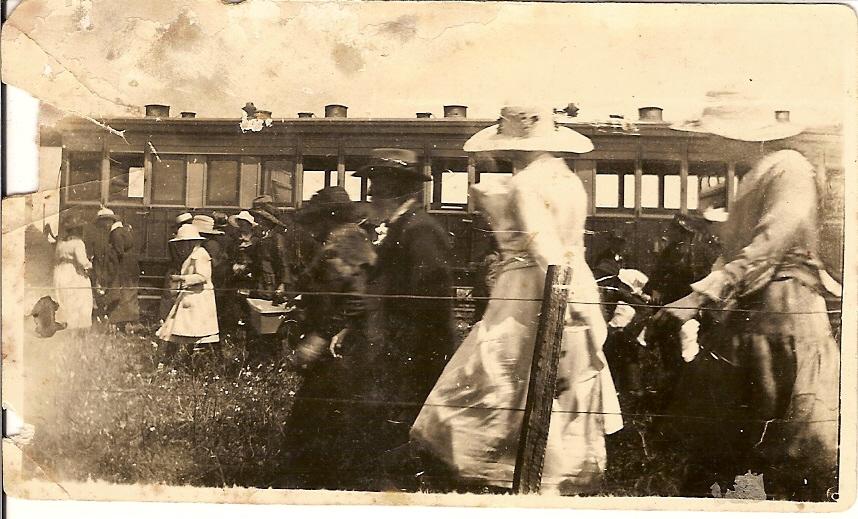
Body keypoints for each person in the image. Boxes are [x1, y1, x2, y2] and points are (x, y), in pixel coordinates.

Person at [410, 107, 622, 495]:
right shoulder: (568, 179)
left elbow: (545, 249)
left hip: (531, 288)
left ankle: (504, 470)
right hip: (577, 280)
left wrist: (566, 305)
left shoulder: (524, 184)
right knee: (547, 380)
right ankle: (559, 469)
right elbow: (571, 245)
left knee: (506, 372)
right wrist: (584, 308)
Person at [652, 90, 840, 500]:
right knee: (726, 441)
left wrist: (698, 299)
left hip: (785, 313)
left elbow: (771, 244)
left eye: (714, 133)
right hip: (756, 317)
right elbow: (745, 250)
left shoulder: (788, 168)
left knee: (791, 445)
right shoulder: (759, 172)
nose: (708, 142)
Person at [345, 148, 456, 490]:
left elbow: (427, 301)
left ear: (398, 190)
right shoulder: (402, 227)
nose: (370, 195)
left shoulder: (419, 230)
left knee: (402, 425)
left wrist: (393, 344)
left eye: (376, 188)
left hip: (414, 350)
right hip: (396, 348)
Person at [281, 186, 378, 489]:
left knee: (321, 416)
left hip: (340, 348)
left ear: (329, 217)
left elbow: (356, 296)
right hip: (336, 344)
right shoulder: (342, 239)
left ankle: (317, 482)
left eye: (317, 218)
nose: (312, 226)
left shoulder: (345, 241)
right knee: (319, 415)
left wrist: (321, 337)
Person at [156, 224, 219, 351]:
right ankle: (179, 355)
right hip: (192, 296)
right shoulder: (193, 254)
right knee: (182, 326)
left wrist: (182, 278)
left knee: (196, 329)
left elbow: (203, 276)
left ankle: (196, 356)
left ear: (191, 242)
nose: (181, 246)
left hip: (200, 297)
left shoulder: (201, 254)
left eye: (183, 243)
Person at [53, 217, 93, 337]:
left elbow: (55, 259)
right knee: (80, 300)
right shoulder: (78, 243)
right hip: (73, 274)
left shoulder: (61, 243)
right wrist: (90, 264)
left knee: (65, 301)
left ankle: (65, 328)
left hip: (61, 273)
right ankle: (77, 330)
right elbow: (82, 261)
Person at [160, 212, 195, 322]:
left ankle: (165, 320)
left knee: (170, 296)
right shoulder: (193, 236)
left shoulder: (176, 239)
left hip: (176, 270)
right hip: (187, 270)